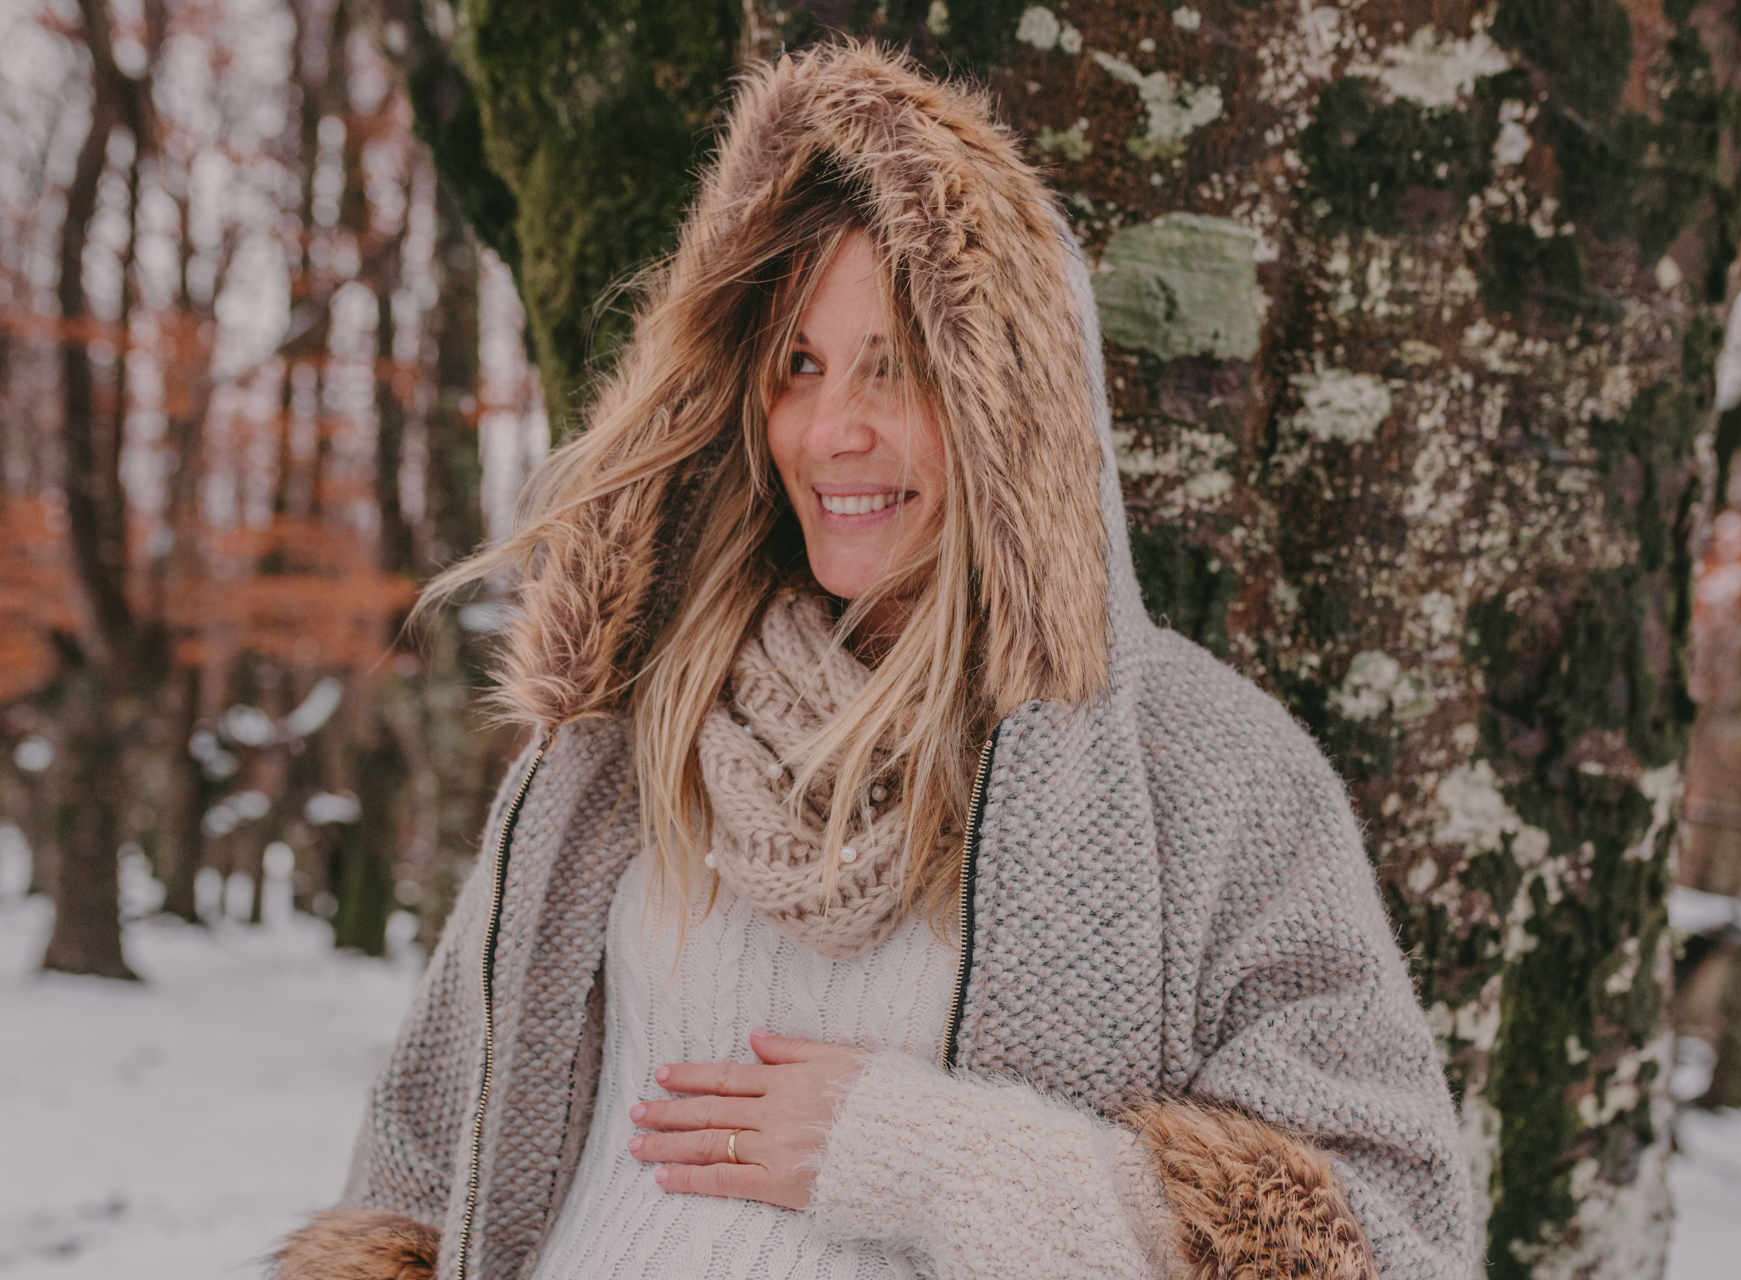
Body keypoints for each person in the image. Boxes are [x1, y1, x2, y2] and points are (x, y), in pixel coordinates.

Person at [272, 42, 1472, 1280]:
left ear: (1017, 410)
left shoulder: (1208, 775)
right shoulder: (623, 735)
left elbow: (1385, 1238)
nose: (833, 427)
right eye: (800, 364)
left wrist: (937, 1156)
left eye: (899, 365)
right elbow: (420, 1163)